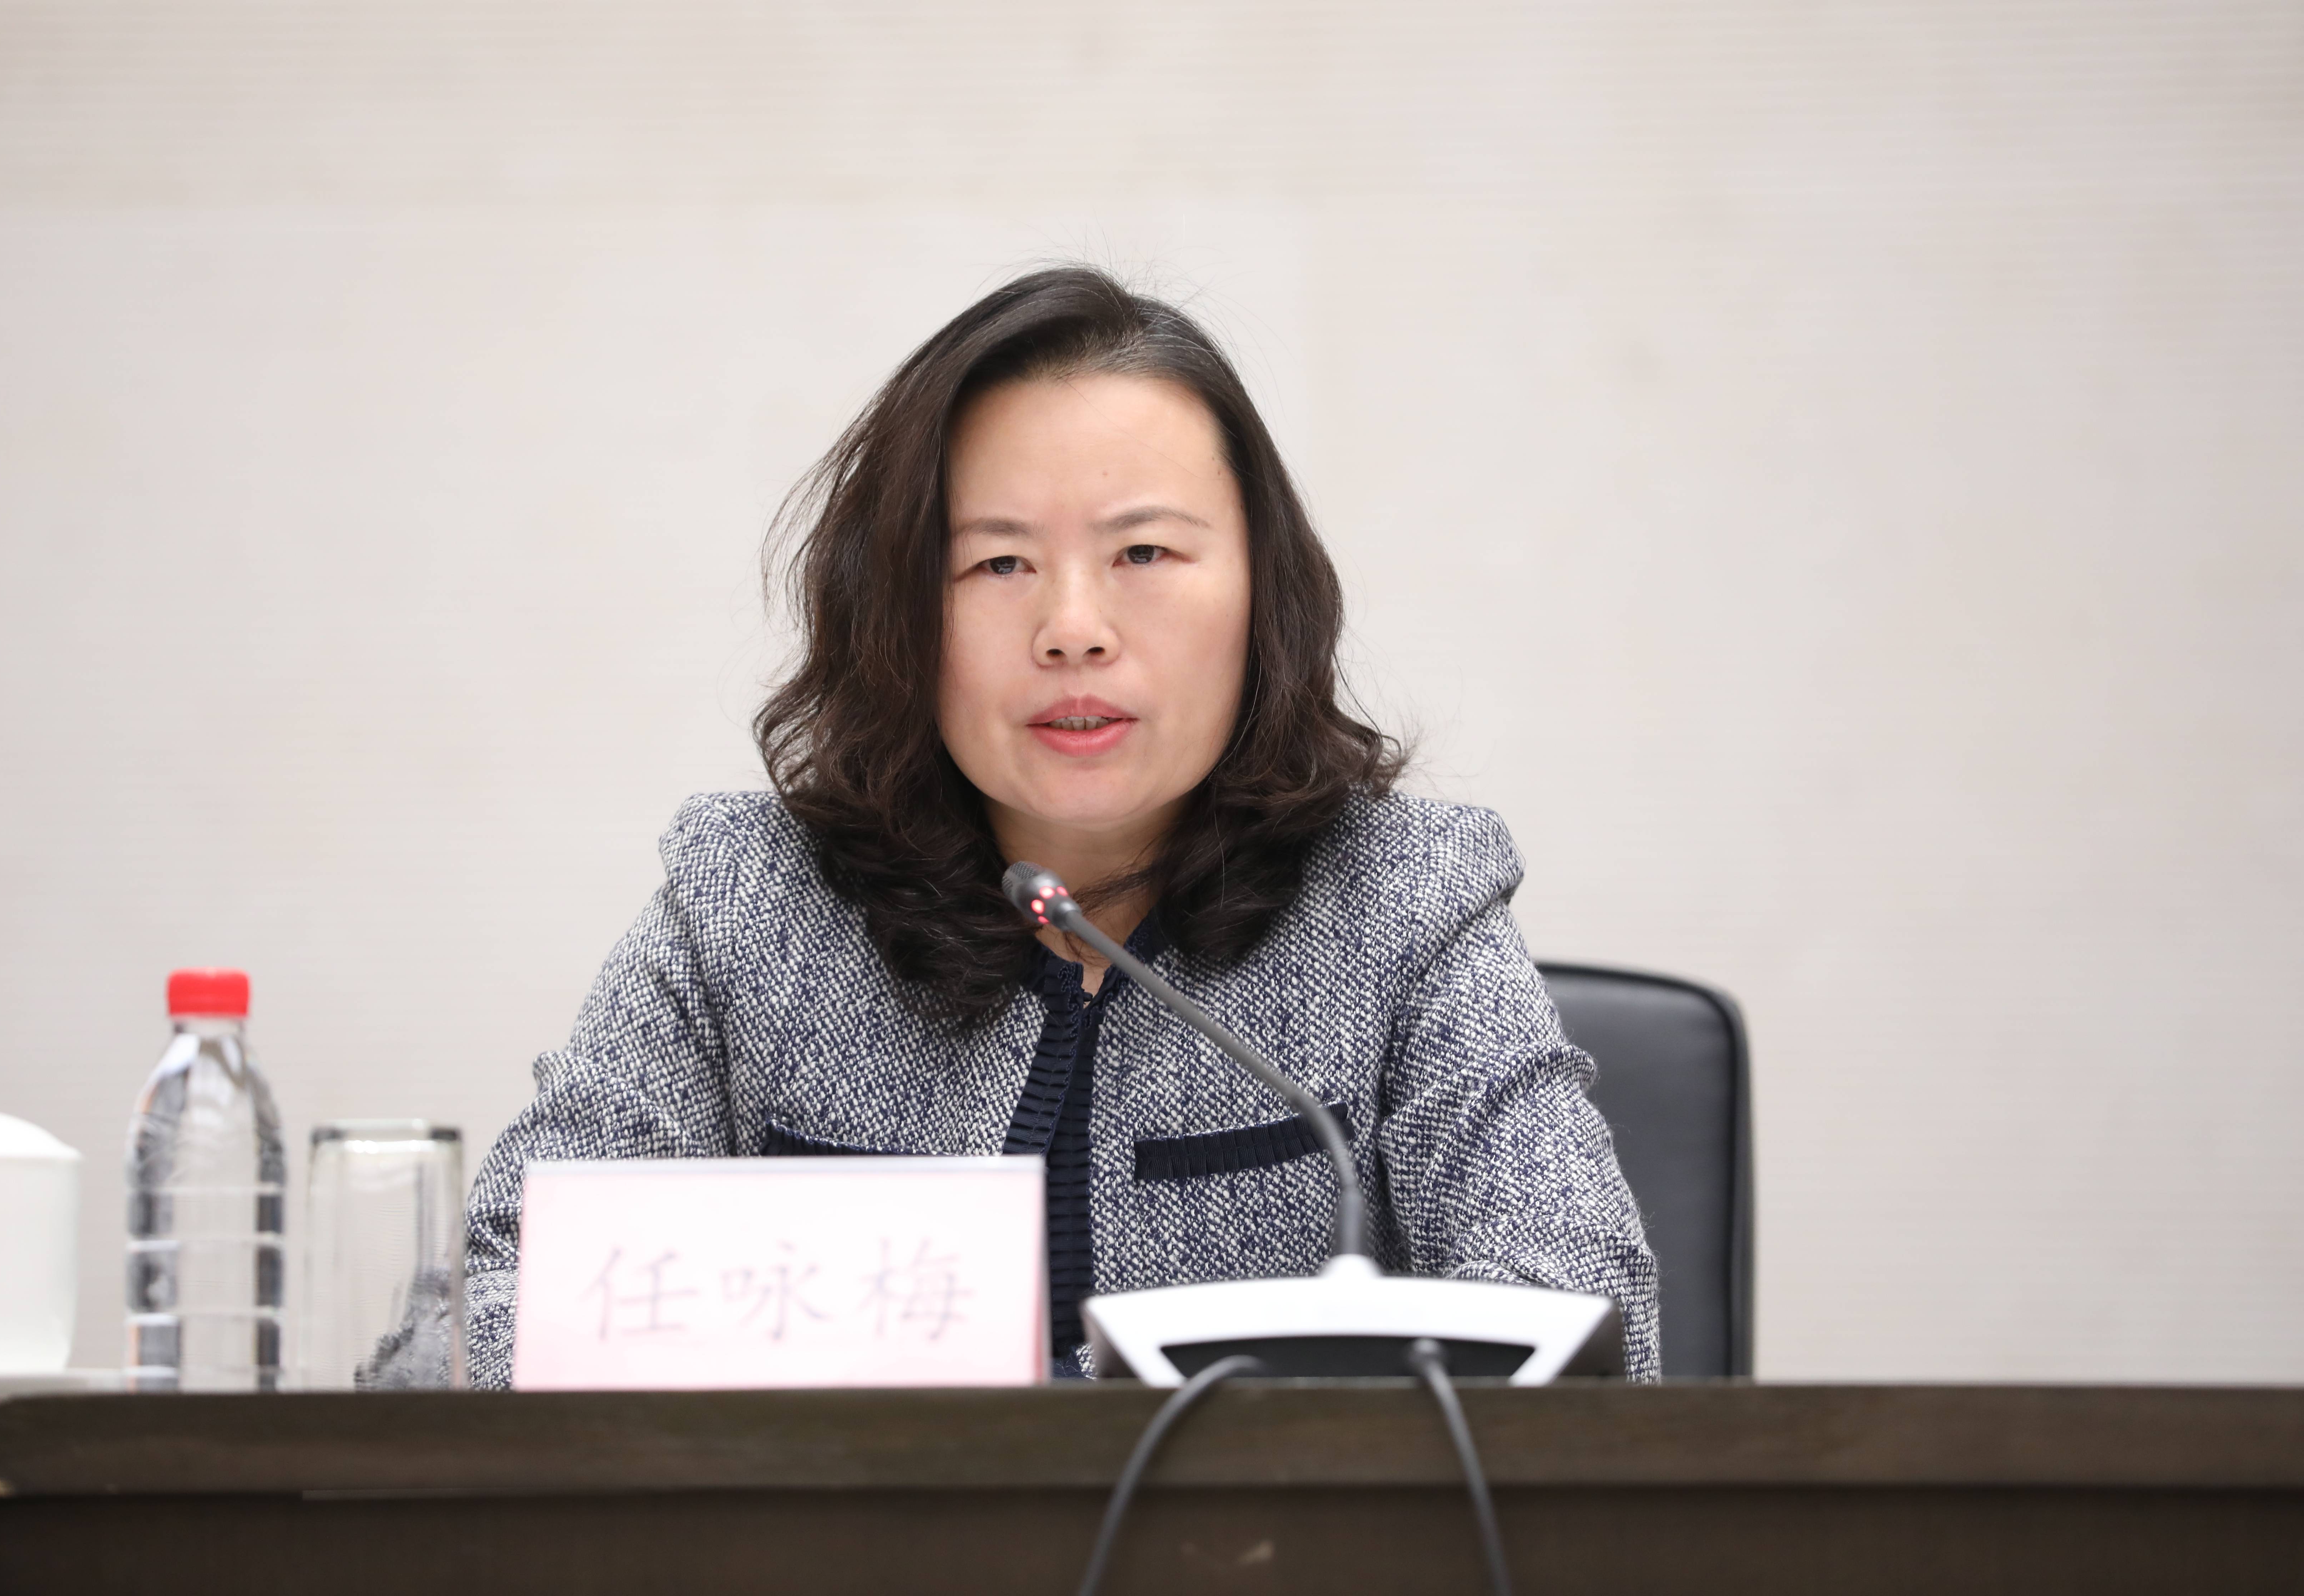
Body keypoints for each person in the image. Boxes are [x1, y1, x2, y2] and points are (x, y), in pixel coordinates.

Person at [463, 266, 1660, 1384]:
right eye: (998, 565)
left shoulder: (1402, 904)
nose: (1073, 628)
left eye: (1144, 551)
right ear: (898, 615)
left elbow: (1587, 1324)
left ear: (1264, 593)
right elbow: (497, 1306)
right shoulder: (750, 907)